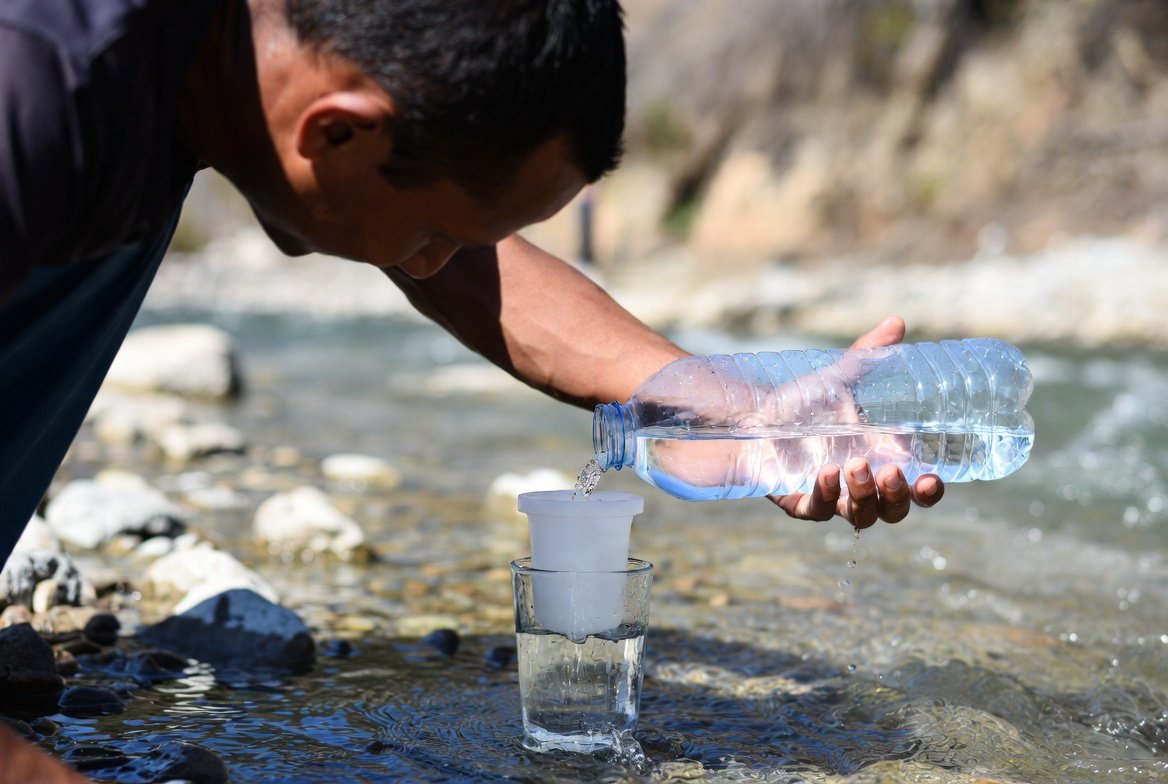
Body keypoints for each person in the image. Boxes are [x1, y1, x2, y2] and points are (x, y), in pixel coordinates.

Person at [0, 0, 943, 571]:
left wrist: (732, 410)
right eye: (437, 235)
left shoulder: (228, 58)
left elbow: (471, 270)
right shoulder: (33, 91)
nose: (433, 266)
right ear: (335, 132)